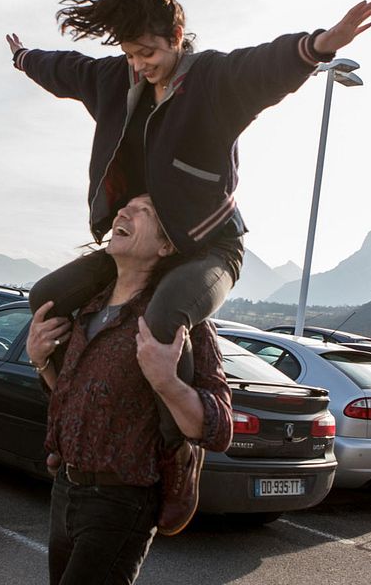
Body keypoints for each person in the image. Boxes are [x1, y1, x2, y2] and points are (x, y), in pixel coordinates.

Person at [7, 0, 371, 526]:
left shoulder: (211, 85)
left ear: (177, 37)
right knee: (47, 297)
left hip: (209, 251)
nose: (140, 65)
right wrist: (25, 58)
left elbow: (262, 68)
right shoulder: (114, 81)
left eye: (149, 53)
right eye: (131, 54)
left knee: (163, 319)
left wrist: (318, 46)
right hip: (141, 239)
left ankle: (178, 453)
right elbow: (68, 69)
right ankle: (70, 415)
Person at [26, 193, 232, 585]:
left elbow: (220, 429)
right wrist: (40, 359)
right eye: (127, 206)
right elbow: (70, 399)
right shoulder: (88, 308)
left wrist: (166, 380)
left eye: (145, 212)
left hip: (121, 503)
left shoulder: (180, 327)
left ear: (165, 245)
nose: (124, 212)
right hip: (66, 490)